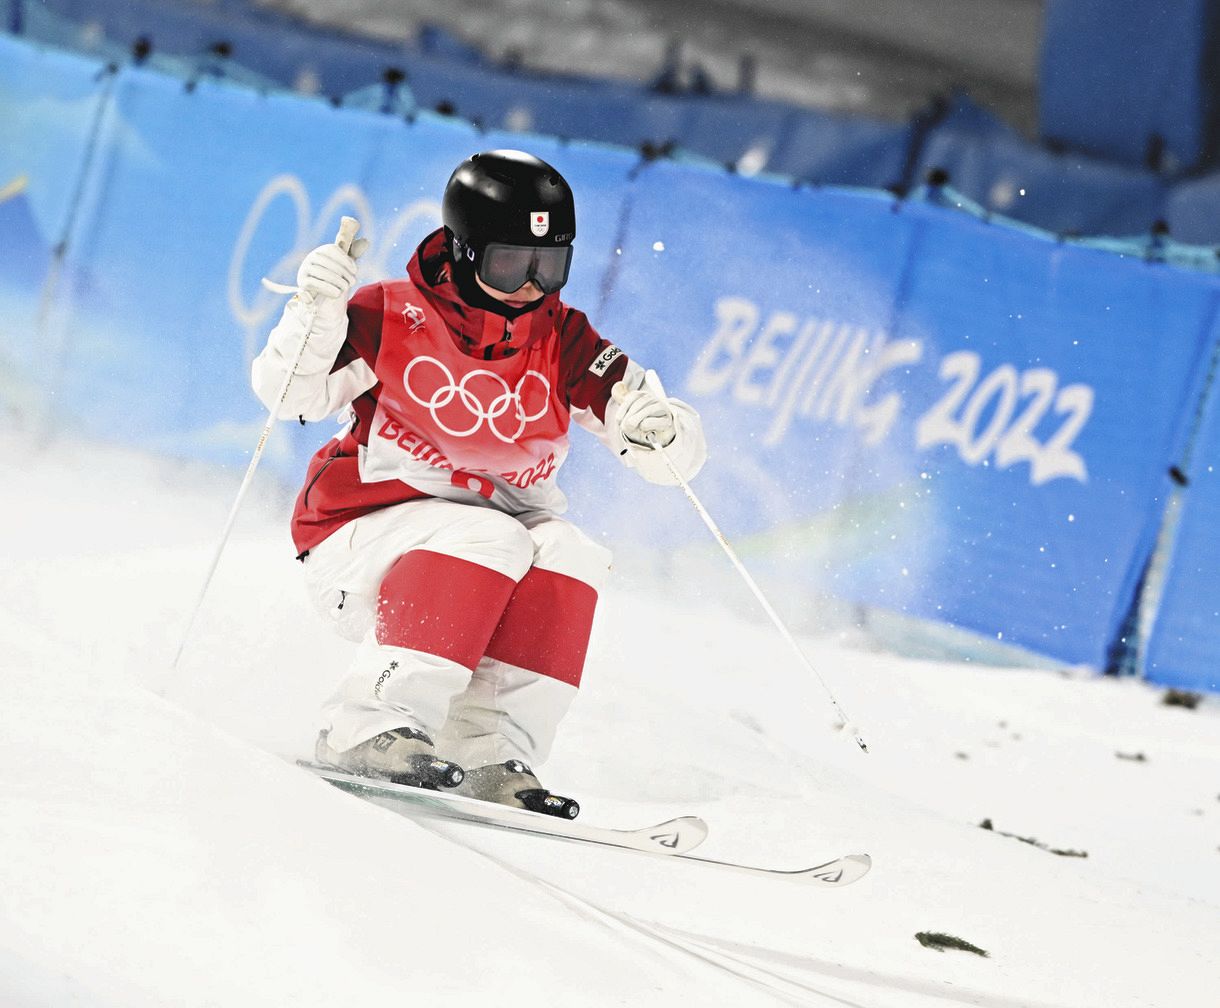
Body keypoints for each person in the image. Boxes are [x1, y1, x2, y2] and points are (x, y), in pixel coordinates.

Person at [252, 149, 706, 816]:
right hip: (357, 544)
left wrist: (659, 426)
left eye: (549, 267)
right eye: (509, 263)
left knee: (569, 551)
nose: (529, 285)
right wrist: (313, 315)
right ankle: (366, 724)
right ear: (464, 252)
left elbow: (668, 460)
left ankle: (487, 747)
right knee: (489, 534)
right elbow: (288, 395)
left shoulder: (563, 339)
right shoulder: (390, 315)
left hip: (481, 558)